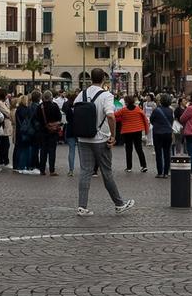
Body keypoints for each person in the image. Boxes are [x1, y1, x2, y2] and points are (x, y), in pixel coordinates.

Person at [73, 69, 134, 216]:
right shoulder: (106, 95)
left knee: (85, 171)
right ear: (104, 80)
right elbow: (111, 116)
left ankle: (82, 206)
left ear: (90, 79)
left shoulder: (82, 94)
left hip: (83, 137)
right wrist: (113, 135)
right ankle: (119, 204)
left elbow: (74, 110)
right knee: (107, 172)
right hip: (100, 138)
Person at [112, 96, 148, 173]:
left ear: (126, 102)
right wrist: (146, 131)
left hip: (127, 131)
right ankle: (144, 166)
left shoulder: (124, 110)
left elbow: (114, 115)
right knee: (139, 149)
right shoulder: (138, 109)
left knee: (129, 149)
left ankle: (129, 167)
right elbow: (145, 119)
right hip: (138, 131)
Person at [149, 93, 175, 178]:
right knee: (167, 153)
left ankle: (160, 172)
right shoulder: (170, 110)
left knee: (158, 153)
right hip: (168, 133)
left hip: (158, 133)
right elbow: (171, 121)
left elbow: (151, 120)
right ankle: (166, 172)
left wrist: (157, 125)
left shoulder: (156, 110)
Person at [37, 91, 62, 176]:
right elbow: (59, 117)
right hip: (53, 131)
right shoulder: (54, 106)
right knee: (52, 150)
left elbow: (36, 118)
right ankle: (52, 170)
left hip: (42, 131)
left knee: (43, 150)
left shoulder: (40, 107)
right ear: (51, 97)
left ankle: (42, 170)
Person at [0, 90, 13, 169]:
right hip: (4, 125)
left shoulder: (3, 102)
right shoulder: (0, 103)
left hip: (6, 125)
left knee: (3, 144)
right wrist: (10, 114)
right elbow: (8, 112)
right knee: (5, 144)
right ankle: (5, 161)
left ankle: (2, 161)